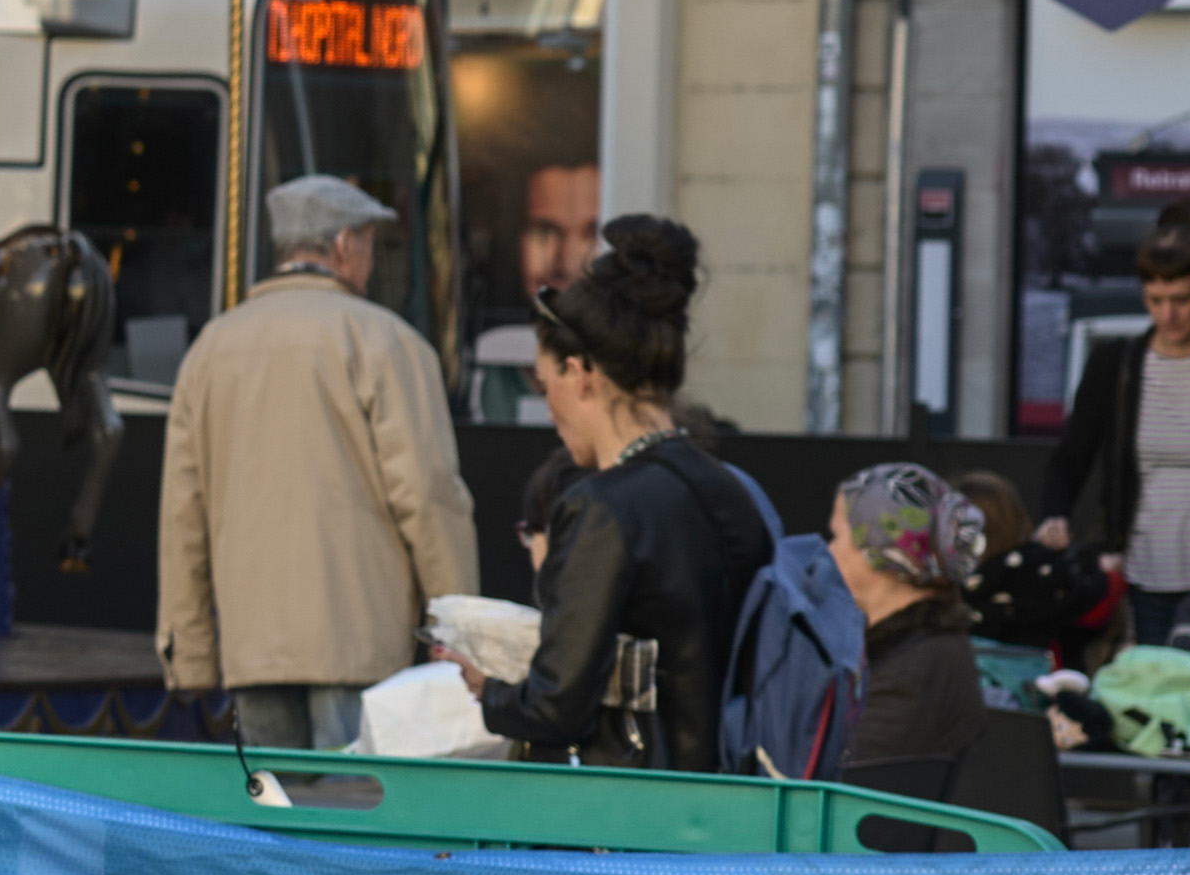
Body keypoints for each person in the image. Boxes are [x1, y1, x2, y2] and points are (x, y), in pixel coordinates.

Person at [156, 172, 473, 752]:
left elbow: (184, 515)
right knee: (353, 819)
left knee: (276, 821)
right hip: (359, 637)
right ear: (347, 244)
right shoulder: (386, 342)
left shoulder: (210, 350)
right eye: (372, 246)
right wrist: (459, 633)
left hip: (250, 645)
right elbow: (427, 496)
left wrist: (191, 650)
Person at [489, 234, 778, 769]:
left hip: (630, 812)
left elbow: (555, 705)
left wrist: (486, 688)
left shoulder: (602, 509)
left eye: (545, 380)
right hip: (729, 797)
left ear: (580, 374)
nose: (545, 401)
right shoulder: (733, 491)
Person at [810, 462, 1068, 829]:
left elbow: (842, 811)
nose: (830, 553)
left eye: (839, 538)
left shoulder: (907, 673)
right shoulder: (928, 647)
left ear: (881, 554)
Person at [1051, 202, 1190, 634]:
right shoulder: (1116, 364)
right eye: (1155, 300)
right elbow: (1072, 453)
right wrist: (1055, 514)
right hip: (1146, 572)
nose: (1167, 315)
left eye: (1182, 300)